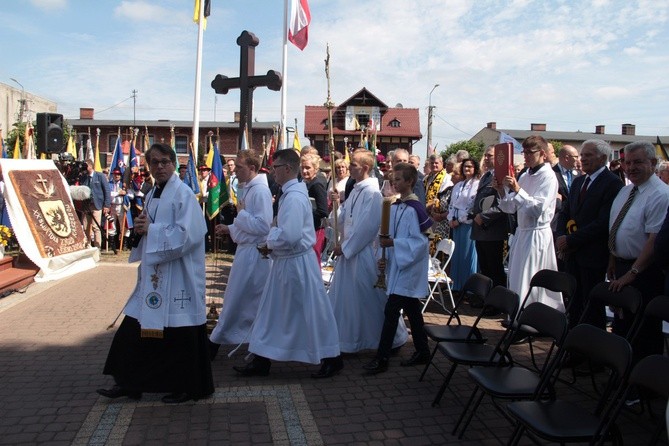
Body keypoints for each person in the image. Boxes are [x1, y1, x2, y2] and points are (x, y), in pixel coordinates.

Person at [97, 143, 213, 404]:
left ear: (174, 164)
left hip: (179, 276)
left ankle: (189, 387)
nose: (159, 167)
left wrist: (153, 230)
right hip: (155, 276)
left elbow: (190, 235)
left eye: (164, 162)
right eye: (154, 163)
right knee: (133, 328)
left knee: (180, 335)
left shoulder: (184, 195)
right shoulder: (152, 194)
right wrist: (140, 227)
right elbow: (151, 224)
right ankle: (129, 382)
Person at [233, 149, 342, 379]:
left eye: (275, 167)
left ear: (287, 169)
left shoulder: (293, 197)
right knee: (271, 313)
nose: (272, 172)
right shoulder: (290, 193)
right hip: (289, 263)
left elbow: (291, 235)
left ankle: (332, 357)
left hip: (296, 266)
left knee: (312, 312)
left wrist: (269, 241)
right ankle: (261, 360)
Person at [328, 149, 408, 353]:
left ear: (364, 168)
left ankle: (394, 338)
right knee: (351, 301)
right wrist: (336, 206)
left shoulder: (372, 194)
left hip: (363, 254)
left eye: (353, 164)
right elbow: (344, 217)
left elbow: (368, 227)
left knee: (371, 298)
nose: (349, 167)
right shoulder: (355, 189)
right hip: (349, 253)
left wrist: (345, 248)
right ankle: (352, 340)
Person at [363, 163, 433, 374]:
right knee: (412, 311)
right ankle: (423, 351)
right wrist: (384, 257)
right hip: (398, 266)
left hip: (409, 269)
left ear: (410, 181)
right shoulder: (395, 206)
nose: (394, 182)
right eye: (393, 179)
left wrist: (394, 245)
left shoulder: (416, 209)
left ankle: (382, 358)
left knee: (391, 311)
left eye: (399, 179)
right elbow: (387, 235)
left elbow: (420, 243)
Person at [607, 141, 669, 365]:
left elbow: (654, 241)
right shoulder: (625, 190)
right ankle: (623, 373)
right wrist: (612, 259)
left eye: (638, 162)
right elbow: (616, 226)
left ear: (653, 163)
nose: (631, 167)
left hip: (643, 272)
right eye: (627, 162)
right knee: (623, 326)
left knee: (642, 330)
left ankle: (641, 386)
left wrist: (632, 273)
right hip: (622, 267)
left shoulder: (661, 195)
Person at [209, 150, 272, 357]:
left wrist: (241, 215)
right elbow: (249, 224)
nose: (234, 170)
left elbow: (263, 226)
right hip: (246, 252)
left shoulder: (260, 191)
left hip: (255, 255)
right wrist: (230, 228)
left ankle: (217, 341)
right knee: (238, 299)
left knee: (240, 300)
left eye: (239, 166)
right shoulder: (248, 188)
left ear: (252, 168)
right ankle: (224, 339)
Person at [556, 139, 623, 329]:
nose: (582, 159)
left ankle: (590, 348)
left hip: (592, 255)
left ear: (602, 158)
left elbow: (603, 222)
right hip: (572, 254)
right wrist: (561, 236)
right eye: (582, 155)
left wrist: (570, 240)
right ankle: (572, 343)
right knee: (574, 302)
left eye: (588, 155)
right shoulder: (578, 182)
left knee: (591, 305)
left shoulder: (612, 184)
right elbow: (565, 212)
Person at [496, 135, 563, 310]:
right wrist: (502, 192)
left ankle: (529, 318)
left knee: (530, 277)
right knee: (517, 276)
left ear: (542, 153)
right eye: (523, 152)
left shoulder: (548, 177)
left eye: (529, 152)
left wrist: (517, 189)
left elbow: (536, 209)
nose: (525, 156)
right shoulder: (525, 175)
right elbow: (511, 208)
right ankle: (516, 316)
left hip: (537, 234)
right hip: (522, 233)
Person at [471, 146, 509, 290]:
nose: (486, 158)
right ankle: (486, 298)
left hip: (492, 230)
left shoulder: (503, 175)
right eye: (485, 155)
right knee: (485, 268)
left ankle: (497, 301)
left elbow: (504, 203)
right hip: (480, 230)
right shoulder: (486, 176)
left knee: (494, 269)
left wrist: (484, 217)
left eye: (490, 156)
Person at [446, 159, 480, 291]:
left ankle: (468, 288)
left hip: (467, 224)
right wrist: (450, 219)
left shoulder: (477, 184)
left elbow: (472, 207)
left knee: (467, 256)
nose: (467, 169)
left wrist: (460, 220)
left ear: (475, 168)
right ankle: (457, 286)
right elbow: (452, 204)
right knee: (457, 256)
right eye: (465, 166)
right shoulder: (458, 185)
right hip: (455, 224)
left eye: (470, 166)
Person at [552, 145, 579, 270]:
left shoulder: (577, 175)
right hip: (556, 223)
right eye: (576, 157)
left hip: (573, 224)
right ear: (566, 158)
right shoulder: (552, 174)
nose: (578, 160)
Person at [301, 153, 329, 264]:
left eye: (308, 168)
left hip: (316, 230)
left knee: (313, 262)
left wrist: (304, 213)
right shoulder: (306, 183)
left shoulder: (317, 185)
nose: (304, 171)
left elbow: (323, 211)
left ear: (315, 169)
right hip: (308, 229)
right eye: (302, 168)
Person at [79, 159, 110, 248]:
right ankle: (87, 246)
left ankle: (97, 246)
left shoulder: (100, 176)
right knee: (85, 227)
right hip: (86, 206)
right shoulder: (83, 177)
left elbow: (106, 190)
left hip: (97, 205)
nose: (85, 168)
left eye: (86, 166)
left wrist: (107, 205)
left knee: (96, 227)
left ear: (91, 166)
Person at [108, 168, 126, 253]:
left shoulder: (123, 184)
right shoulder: (110, 184)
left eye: (118, 174)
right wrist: (118, 193)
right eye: (115, 174)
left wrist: (124, 193)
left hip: (121, 206)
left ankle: (123, 244)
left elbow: (129, 194)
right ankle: (112, 245)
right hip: (112, 206)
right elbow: (109, 194)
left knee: (123, 225)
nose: (117, 176)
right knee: (112, 225)